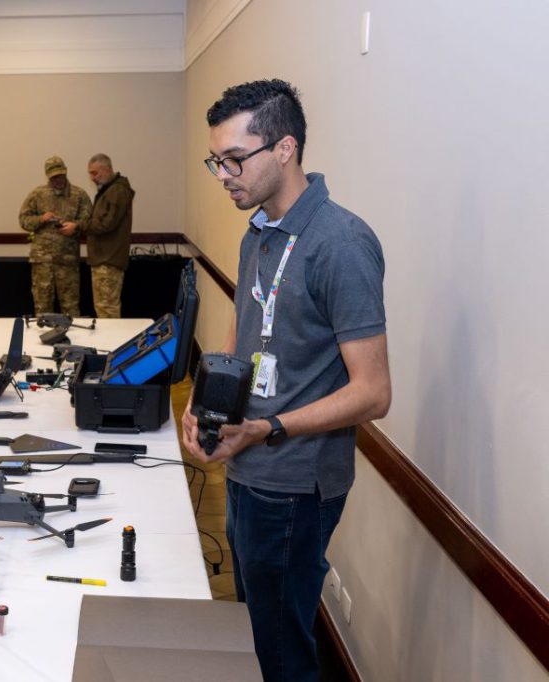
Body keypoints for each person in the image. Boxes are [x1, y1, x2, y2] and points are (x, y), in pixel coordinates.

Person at [181, 79, 391, 682]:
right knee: (253, 633)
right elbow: (241, 334)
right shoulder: (258, 230)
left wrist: (267, 427)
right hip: (247, 465)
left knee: (281, 652)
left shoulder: (341, 243)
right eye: (215, 161)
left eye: (234, 159)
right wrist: (201, 398)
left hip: (295, 484)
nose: (223, 176)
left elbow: (373, 393)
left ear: (284, 149)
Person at [59, 153, 134, 318]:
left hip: (109, 260)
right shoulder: (109, 190)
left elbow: (105, 224)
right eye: (90, 174)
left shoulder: (117, 191)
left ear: (107, 169)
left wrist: (77, 225)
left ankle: (112, 337)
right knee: (103, 309)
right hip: (104, 259)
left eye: (95, 173)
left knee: (107, 310)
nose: (92, 178)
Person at [18, 156, 92, 317]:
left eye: (60, 175)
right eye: (54, 177)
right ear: (47, 176)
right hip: (42, 262)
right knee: (42, 308)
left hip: (67, 261)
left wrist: (75, 226)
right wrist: (41, 219)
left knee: (71, 308)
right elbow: (23, 220)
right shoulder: (37, 194)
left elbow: (90, 222)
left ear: (65, 172)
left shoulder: (79, 195)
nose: (58, 180)